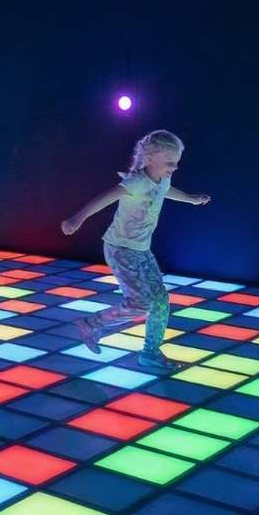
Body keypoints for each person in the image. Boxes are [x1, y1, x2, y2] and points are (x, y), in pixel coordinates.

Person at [61, 130, 210, 372]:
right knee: (140, 304)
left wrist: (190, 199)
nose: (174, 167)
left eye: (176, 163)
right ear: (150, 158)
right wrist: (77, 218)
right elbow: (105, 198)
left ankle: (150, 354)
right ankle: (91, 324)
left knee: (160, 302)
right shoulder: (136, 182)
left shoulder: (162, 180)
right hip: (120, 249)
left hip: (141, 250)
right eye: (170, 162)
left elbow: (166, 191)